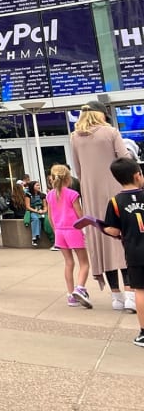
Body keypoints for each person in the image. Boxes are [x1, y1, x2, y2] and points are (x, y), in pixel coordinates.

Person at [70, 100, 136, 313]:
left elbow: (78, 170)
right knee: (122, 241)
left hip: (91, 195)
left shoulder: (75, 137)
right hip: (115, 189)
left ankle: (116, 296)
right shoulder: (110, 132)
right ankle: (130, 294)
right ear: (101, 114)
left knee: (101, 243)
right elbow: (125, 161)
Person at [100, 157, 144, 346]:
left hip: (135, 253)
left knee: (140, 291)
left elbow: (114, 230)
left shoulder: (115, 202)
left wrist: (102, 227)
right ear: (137, 175)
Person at [45, 164, 91, 308]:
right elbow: (80, 215)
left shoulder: (49, 195)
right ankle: (80, 288)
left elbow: (50, 217)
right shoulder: (72, 194)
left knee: (68, 263)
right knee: (84, 263)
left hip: (60, 231)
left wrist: (56, 230)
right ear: (68, 179)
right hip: (74, 230)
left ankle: (71, 295)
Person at [23, 181, 47, 248]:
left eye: (39, 185)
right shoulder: (28, 195)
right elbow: (27, 206)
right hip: (32, 211)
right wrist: (35, 211)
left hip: (41, 211)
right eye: (37, 185)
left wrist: (43, 210)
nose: (39, 186)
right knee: (36, 219)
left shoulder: (42, 195)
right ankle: (35, 237)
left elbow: (45, 206)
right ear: (32, 186)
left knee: (46, 220)